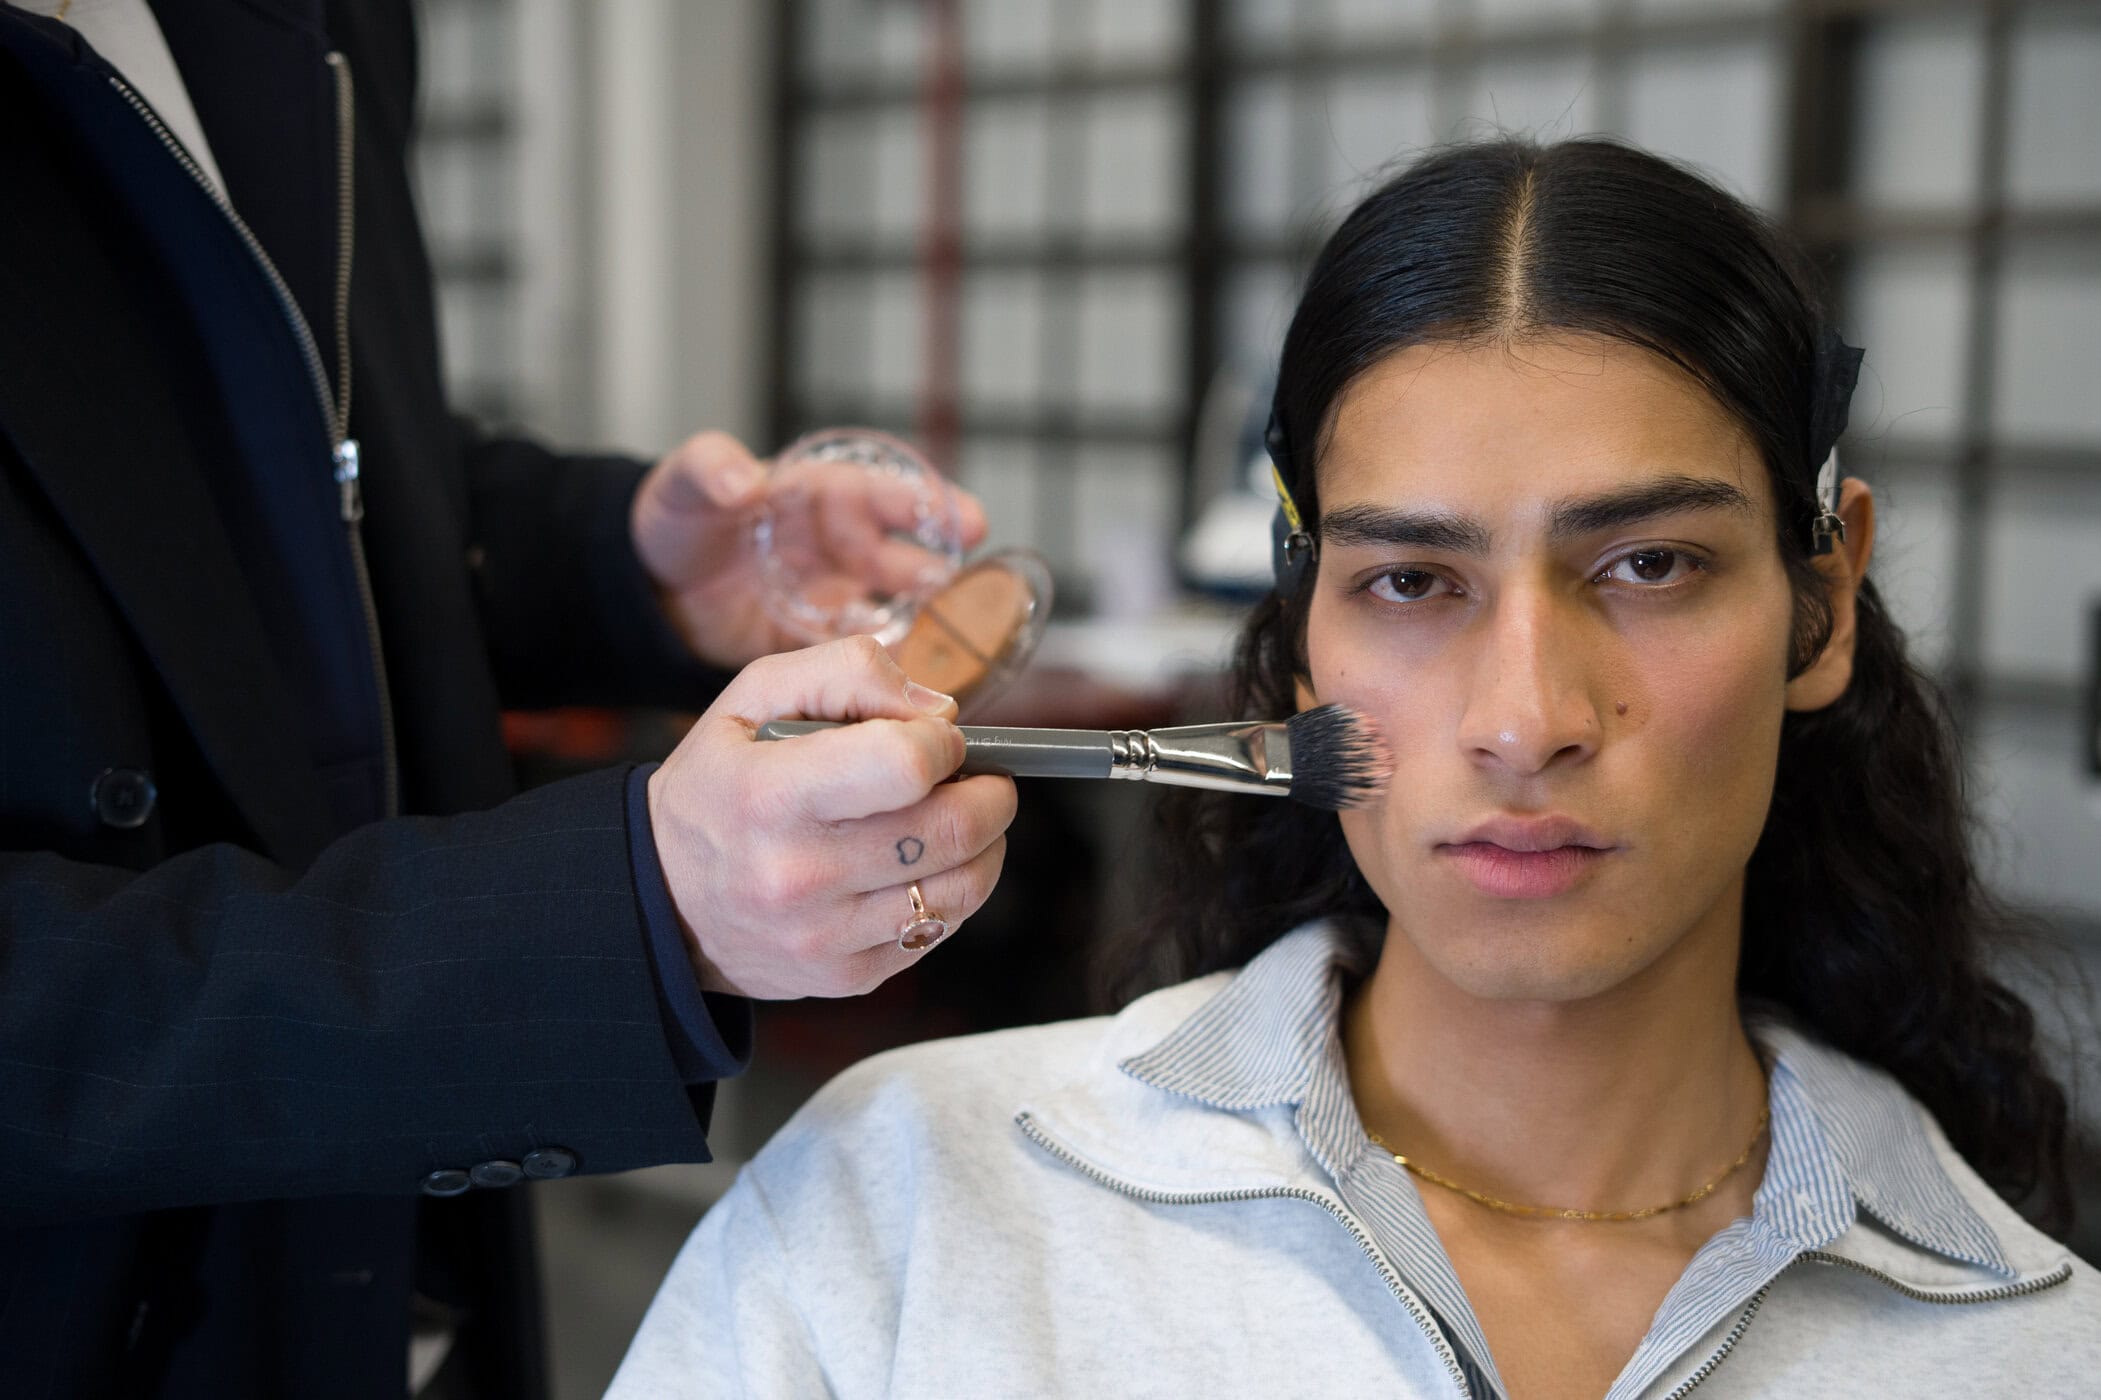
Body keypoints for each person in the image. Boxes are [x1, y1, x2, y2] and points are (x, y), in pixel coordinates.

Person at [611, 138, 2100, 1399]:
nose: (1525, 720)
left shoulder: (2034, 1345)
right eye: (1409, 580)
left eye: (1649, 563)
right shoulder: (909, 1210)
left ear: (1823, 597)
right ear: (1304, 633)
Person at [0, 2, 1016, 1396]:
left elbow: (289, 474)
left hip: (412, 1285)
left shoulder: (306, 27)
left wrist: (626, 572)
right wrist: (607, 923)